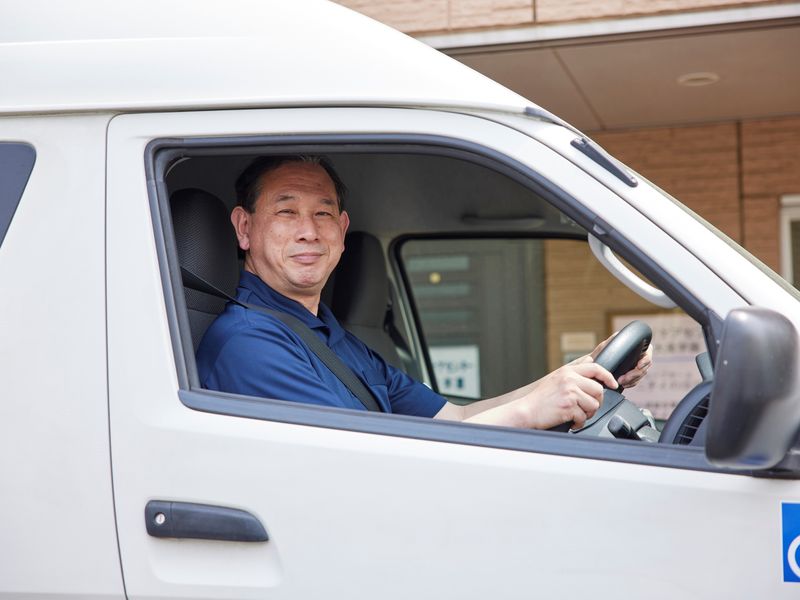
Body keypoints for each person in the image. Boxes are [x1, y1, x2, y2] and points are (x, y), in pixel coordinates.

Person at [196, 155, 652, 430]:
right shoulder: (248, 343)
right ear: (244, 228)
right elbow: (362, 465)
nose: (308, 232)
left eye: (323, 213)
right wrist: (531, 412)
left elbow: (454, 419)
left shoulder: (332, 338)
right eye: (286, 211)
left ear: (342, 229)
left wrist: (575, 374)